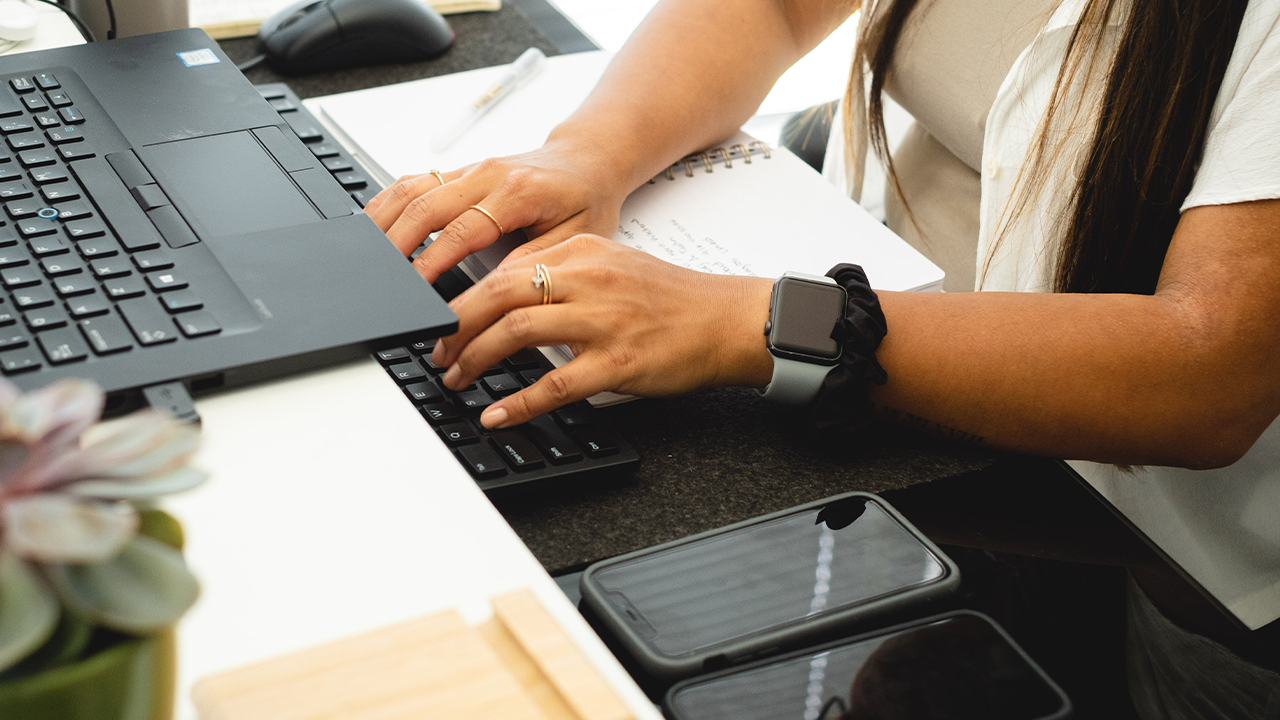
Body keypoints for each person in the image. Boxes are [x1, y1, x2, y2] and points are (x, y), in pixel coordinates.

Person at [366, 0, 1280, 715]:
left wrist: (744, 321)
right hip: (926, 429)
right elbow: (776, 8)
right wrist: (585, 156)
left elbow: (1206, 374)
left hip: (1166, 565)